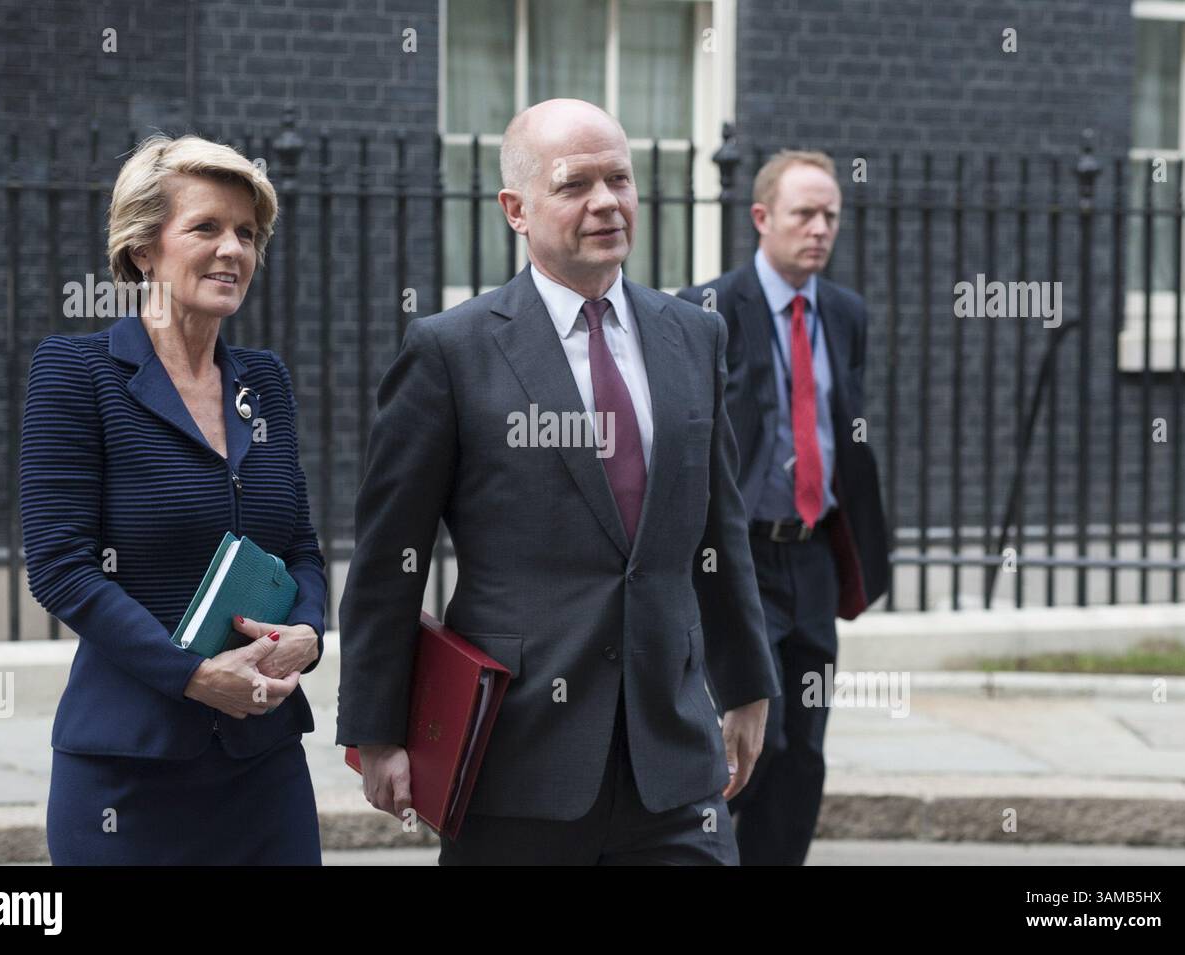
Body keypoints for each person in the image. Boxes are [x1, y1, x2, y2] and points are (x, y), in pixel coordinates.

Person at [336, 98, 779, 865]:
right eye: (575, 184)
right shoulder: (450, 351)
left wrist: (747, 683)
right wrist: (377, 732)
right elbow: (387, 558)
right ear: (515, 208)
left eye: (620, 179)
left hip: (671, 763)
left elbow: (719, 529)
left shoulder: (693, 334)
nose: (606, 202)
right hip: (515, 763)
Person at [20, 134, 327, 865]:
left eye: (247, 233)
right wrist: (192, 675)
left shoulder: (265, 381)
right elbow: (61, 567)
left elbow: (301, 549)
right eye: (207, 227)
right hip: (129, 774)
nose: (233, 249)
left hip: (264, 770)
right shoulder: (76, 373)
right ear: (142, 250)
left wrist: (308, 635)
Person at [679, 150, 890, 865]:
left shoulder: (845, 313)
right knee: (751, 737)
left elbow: (839, 427)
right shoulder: (705, 309)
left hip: (813, 557)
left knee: (804, 747)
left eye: (831, 214)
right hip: (738, 560)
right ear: (762, 218)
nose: (821, 228)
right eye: (805, 213)